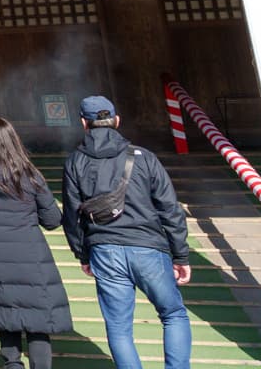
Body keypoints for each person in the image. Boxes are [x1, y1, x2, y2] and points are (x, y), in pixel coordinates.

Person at [63, 95, 192, 369]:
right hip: (149, 248)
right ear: (117, 121)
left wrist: (83, 254)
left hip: (104, 250)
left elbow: (71, 218)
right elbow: (171, 209)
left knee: (119, 328)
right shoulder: (143, 157)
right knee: (173, 315)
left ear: (84, 124)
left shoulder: (75, 162)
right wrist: (180, 256)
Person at [0, 117, 72, 369]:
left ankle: (12, 364)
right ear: (13, 140)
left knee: (4, 312)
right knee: (38, 320)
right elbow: (52, 220)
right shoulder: (29, 173)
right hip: (30, 255)